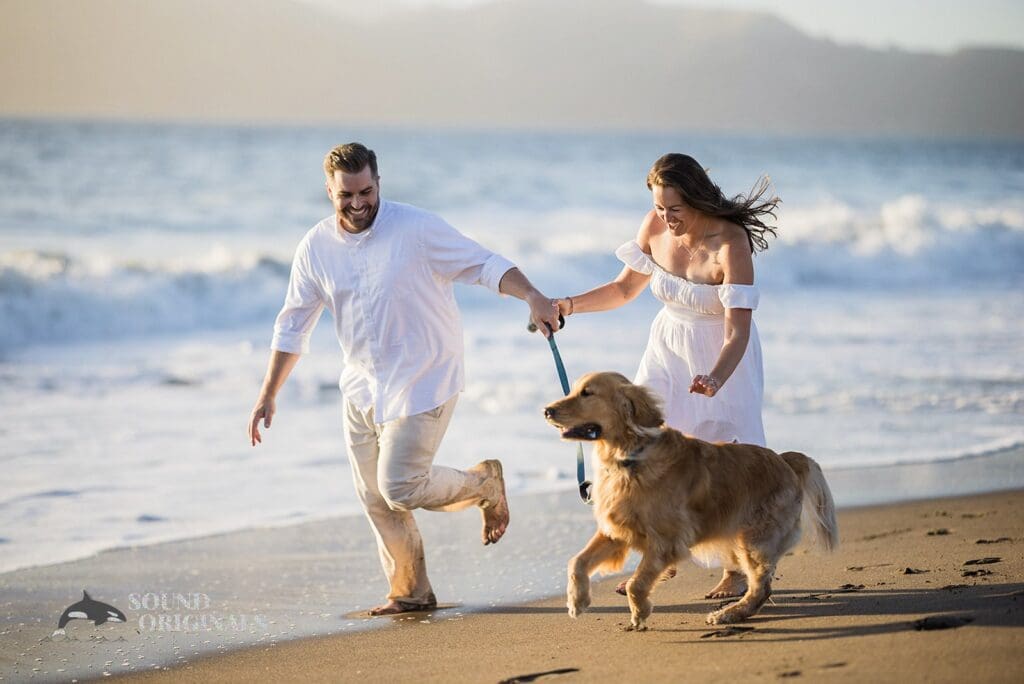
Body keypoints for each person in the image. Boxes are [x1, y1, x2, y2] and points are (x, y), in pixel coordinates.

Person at [248, 143, 560, 616]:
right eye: (345, 195)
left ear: (379, 182)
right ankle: (411, 591)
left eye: (366, 191)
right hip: (361, 386)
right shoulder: (315, 247)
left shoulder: (415, 228)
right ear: (328, 191)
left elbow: (484, 264)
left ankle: (484, 483)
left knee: (400, 486)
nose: (357, 204)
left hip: (424, 377)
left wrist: (533, 296)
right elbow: (294, 323)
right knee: (375, 498)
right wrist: (268, 393)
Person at [555, 153, 779, 598]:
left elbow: (738, 330)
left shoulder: (730, 243)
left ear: (696, 199)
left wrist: (715, 377)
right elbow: (622, 289)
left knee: (725, 458)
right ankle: (659, 552)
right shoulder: (655, 227)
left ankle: (736, 569)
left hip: (720, 353)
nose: (665, 218)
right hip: (667, 346)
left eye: (674, 209)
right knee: (647, 441)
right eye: (659, 208)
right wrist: (568, 305)